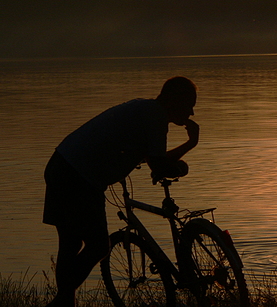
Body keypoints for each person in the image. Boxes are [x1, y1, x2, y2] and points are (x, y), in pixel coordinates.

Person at [42, 76, 199, 307]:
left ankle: (64, 302)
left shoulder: (146, 110)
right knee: (97, 246)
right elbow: (158, 165)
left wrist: (187, 147)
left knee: (70, 243)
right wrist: (185, 157)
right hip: (77, 175)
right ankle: (60, 302)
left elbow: (154, 160)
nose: (192, 112)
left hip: (62, 164)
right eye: (189, 105)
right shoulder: (155, 116)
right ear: (174, 101)